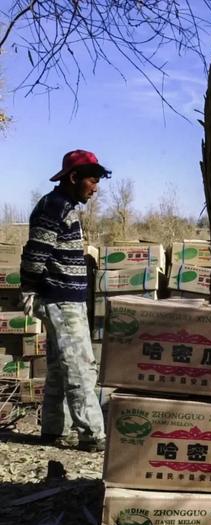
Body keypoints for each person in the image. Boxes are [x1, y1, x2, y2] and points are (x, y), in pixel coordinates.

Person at [20, 150, 111, 451]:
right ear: (74, 178)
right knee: (80, 366)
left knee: (60, 365)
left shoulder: (64, 205)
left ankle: (54, 429)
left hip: (64, 297)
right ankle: (92, 434)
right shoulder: (55, 206)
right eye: (92, 181)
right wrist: (29, 290)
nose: (95, 188)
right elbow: (36, 253)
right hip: (60, 298)